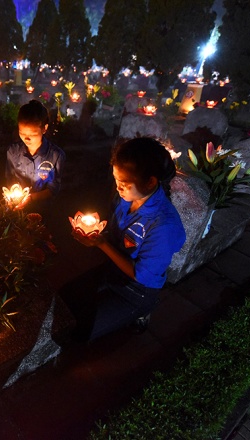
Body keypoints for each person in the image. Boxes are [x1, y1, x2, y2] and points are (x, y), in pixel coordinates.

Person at [64, 137, 186, 342]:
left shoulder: (163, 226)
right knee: (66, 299)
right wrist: (93, 230)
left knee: (82, 330)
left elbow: (141, 274)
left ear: (150, 182)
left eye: (124, 183)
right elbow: (116, 230)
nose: (118, 187)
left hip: (137, 290)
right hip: (113, 269)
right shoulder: (126, 197)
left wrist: (101, 243)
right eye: (116, 179)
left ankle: (142, 313)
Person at [6, 100, 65, 210]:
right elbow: (10, 178)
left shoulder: (55, 156)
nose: (26, 139)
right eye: (22, 133)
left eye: (32, 134)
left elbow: (53, 189)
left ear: (44, 128)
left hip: (42, 209)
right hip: (17, 209)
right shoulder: (13, 152)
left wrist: (31, 198)